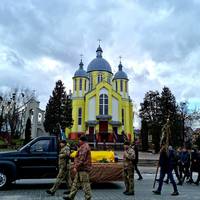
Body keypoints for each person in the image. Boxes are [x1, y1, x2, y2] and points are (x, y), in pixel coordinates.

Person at [63, 135, 92, 200]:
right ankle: (71, 196)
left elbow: (81, 159)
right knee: (75, 184)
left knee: (85, 184)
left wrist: (75, 166)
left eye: (79, 140)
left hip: (83, 169)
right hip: (80, 169)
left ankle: (88, 197)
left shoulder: (84, 147)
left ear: (82, 141)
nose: (78, 141)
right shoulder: (83, 146)